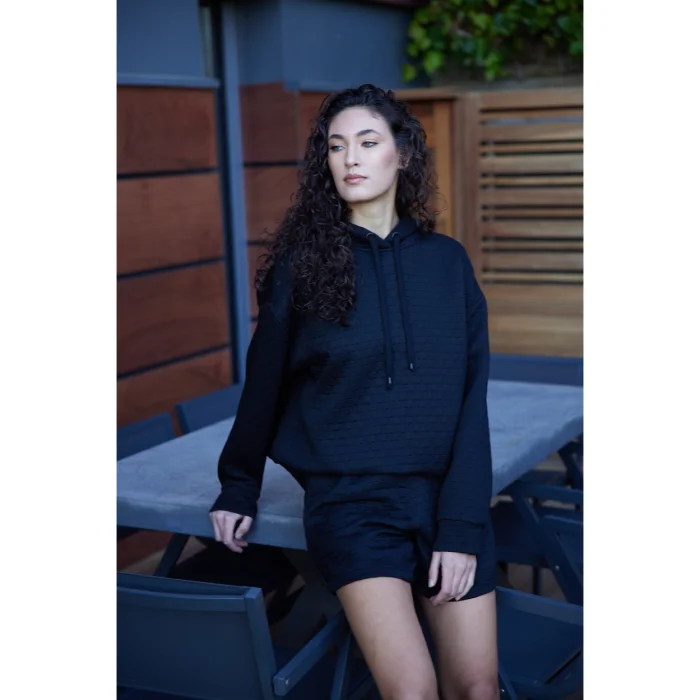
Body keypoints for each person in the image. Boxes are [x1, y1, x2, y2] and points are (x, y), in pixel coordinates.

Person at [210, 84, 499, 700]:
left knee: (476, 688)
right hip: (351, 506)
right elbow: (264, 384)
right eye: (337, 146)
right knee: (412, 691)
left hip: (444, 498)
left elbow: (471, 403)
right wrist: (239, 483)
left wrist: (461, 526)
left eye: (368, 142)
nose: (350, 159)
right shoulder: (302, 267)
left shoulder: (448, 264)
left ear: (403, 155)